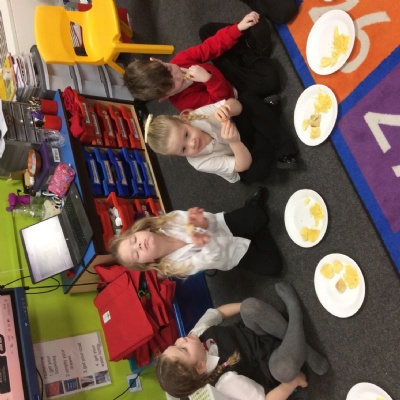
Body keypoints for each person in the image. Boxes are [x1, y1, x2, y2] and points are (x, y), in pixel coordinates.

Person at [156, 282, 329, 399]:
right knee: (284, 369)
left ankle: (300, 345)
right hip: (272, 362)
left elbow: (219, 313)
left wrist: (245, 307)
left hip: (255, 332)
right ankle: (295, 310)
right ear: (200, 367)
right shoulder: (226, 383)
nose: (181, 339)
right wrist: (292, 384)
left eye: (175, 344)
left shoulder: (195, 335)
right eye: (183, 349)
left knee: (250, 306)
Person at [123, 11, 283, 111]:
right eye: (172, 84)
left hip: (223, 71)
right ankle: (252, 52)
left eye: (169, 69)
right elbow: (222, 102)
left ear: (157, 60)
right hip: (233, 90)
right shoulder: (184, 102)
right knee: (270, 80)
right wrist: (208, 80)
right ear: (164, 97)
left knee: (207, 31)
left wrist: (238, 28)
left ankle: (248, 48)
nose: (178, 75)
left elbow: (208, 48)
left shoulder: (179, 61)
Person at [108, 187, 282, 278]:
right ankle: (253, 225)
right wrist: (205, 241)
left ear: (142, 230)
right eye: (136, 254)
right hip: (229, 253)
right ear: (147, 263)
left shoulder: (170, 220)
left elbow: (211, 221)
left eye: (134, 240)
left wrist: (203, 223)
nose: (139, 246)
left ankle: (251, 217)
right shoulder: (174, 267)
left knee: (261, 216)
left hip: (224, 226)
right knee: (274, 267)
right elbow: (212, 258)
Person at [145, 96, 298, 184]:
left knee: (246, 99)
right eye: (184, 149)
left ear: (185, 121)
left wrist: (227, 109)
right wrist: (234, 142)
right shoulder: (199, 163)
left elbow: (236, 105)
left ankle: (275, 140)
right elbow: (242, 165)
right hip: (239, 157)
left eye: (186, 135)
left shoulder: (196, 116)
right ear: (179, 155)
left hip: (238, 132)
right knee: (258, 172)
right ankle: (268, 120)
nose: (192, 143)